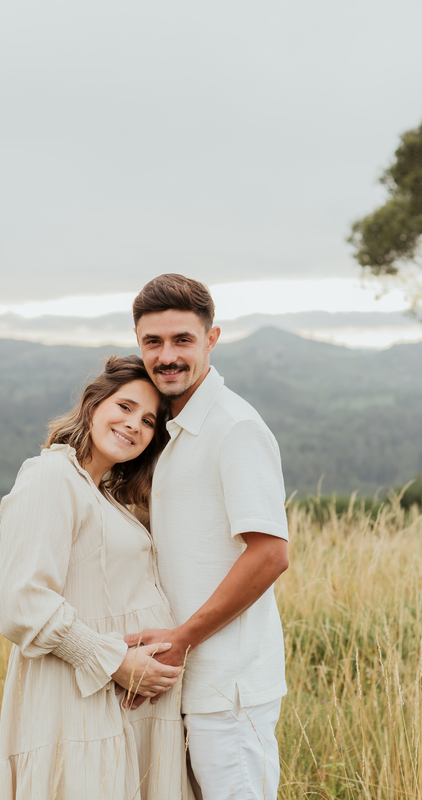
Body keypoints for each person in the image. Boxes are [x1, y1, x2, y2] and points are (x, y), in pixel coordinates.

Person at [0, 355, 193, 800]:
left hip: (118, 706)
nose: (134, 425)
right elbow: (22, 603)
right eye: (124, 406)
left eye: (147, 421)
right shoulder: (51, 476)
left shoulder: (103, 493)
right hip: (78, 701)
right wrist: (116, 663)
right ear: (93, 403)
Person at [126, 274, 291, 800]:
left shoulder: (234, 427)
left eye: (182, 340)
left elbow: (270, 555)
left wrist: (182, 638)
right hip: (188, 687)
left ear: (211, 340)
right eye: (153, 342)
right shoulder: (173, 428)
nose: (167, 356)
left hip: (230, 689)